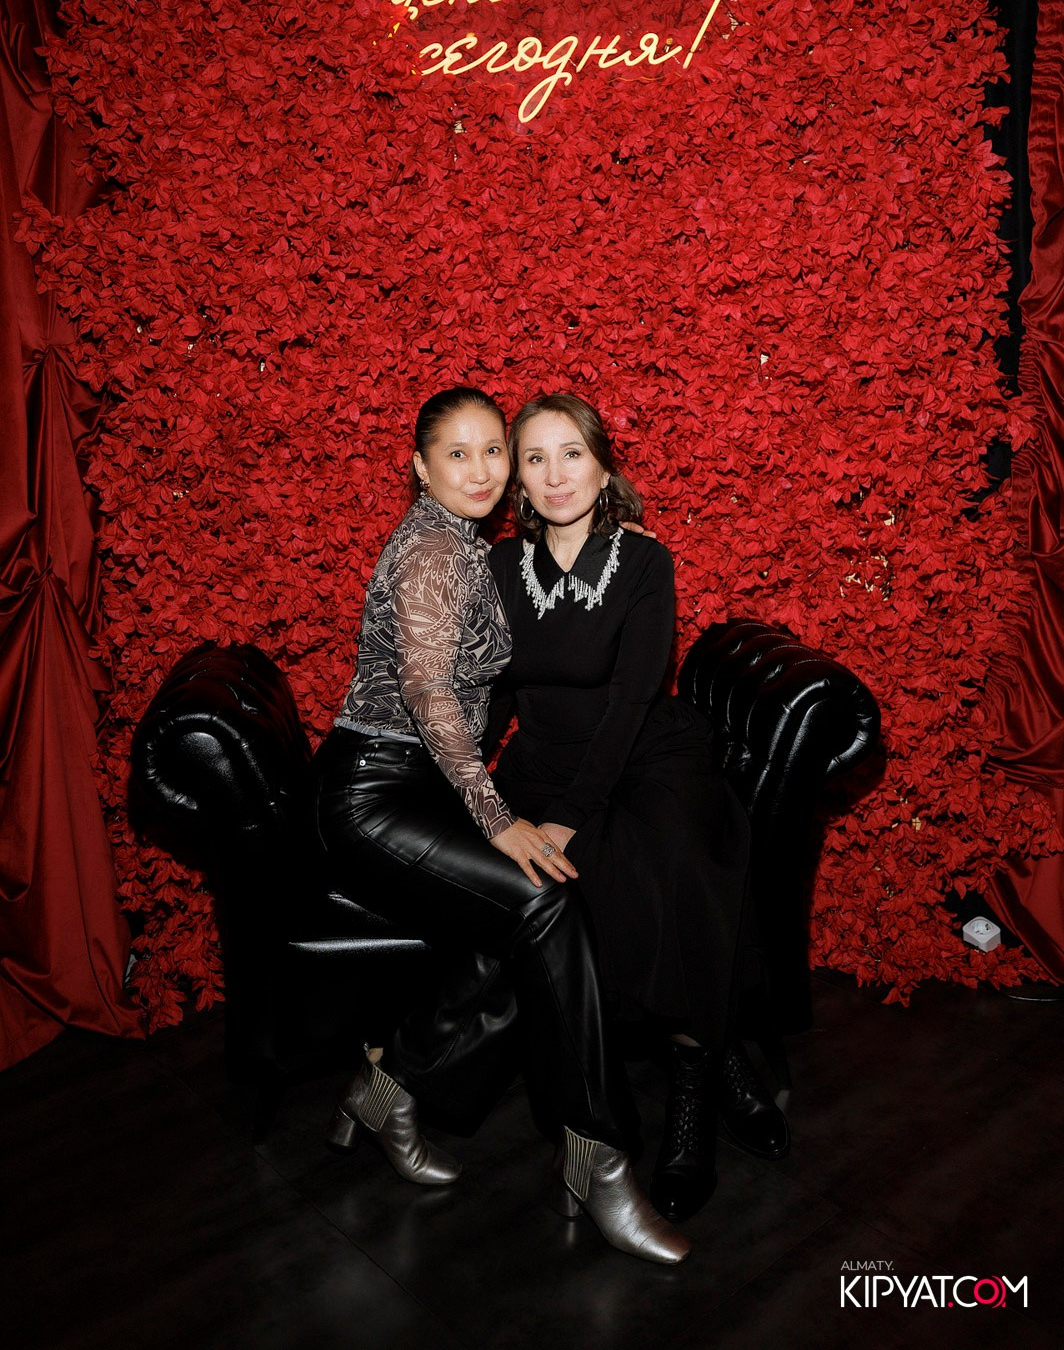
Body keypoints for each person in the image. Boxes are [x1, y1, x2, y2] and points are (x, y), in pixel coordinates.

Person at [313, 386, 689, 1265]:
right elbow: (428, 695)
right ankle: (599, 1160)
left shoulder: (472, 546)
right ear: (420, 467)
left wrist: (612, 542)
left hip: (420, 788)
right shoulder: (433, 552)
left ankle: (387, 1087)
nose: (481, 470)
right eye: (458, 453)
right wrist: (496, 816)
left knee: (527, 919)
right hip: (372, 797)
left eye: (493, 450)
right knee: (543, 902)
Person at [487, 393, 782, 1223]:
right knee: (577, 884)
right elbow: (492, 691)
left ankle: (697, 1080)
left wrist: (572, 813)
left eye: (571, 454)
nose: (555, 476)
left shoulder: (644, 562)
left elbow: (629, 701)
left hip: (645, 752)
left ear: (602, 466)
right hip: (544, 765)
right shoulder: (499, 568)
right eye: (535, 458)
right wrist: (456, 777)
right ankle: (717, 1050)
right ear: (518, 479)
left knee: (677, 862)